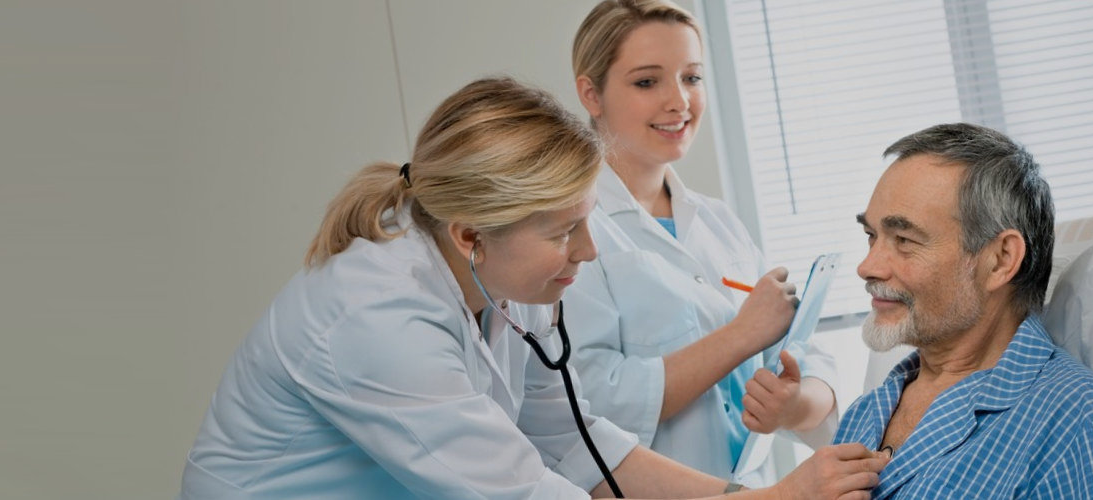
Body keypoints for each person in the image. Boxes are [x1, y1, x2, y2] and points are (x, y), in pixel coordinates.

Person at [178, 77, 886, 499]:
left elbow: (577, 442)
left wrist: (749, 497)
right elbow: (523, 490)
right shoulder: (375, 319)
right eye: (563, 232)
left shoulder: (508, 288)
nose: (588, 250)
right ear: (468, 233)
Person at [563, 0, 841, 482]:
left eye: (691, 77)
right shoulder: (574, 229)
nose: (679, 101)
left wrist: (793, 404)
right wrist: (740, 336)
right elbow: (594, 403)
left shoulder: (718, 222)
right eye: (647, 81)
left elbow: (801, 357)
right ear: (591, 93)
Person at [836, 124, 1093, 498]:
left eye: (904, 240)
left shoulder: (1082, 421)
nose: (867, 266)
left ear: (1000, 260)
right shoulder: (865, 414)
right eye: (872, 236)